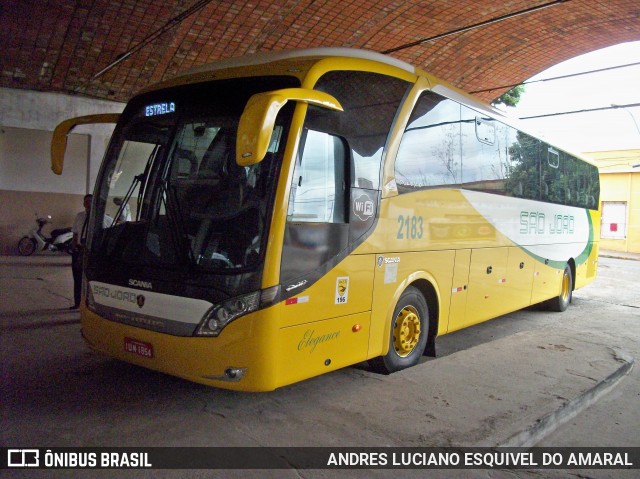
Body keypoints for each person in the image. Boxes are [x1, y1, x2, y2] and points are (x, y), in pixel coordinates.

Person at [70, 194, 92, 309]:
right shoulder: (79, 216)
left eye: (90, 201)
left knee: (89, 279)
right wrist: (73, 247)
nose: (88, 203)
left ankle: (89, 304)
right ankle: (77, 303)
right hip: (79, 250)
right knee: (77, 277)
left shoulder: (101, 218)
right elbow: (75, 232)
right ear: (83, 203)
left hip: (91, 251)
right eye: (86, 201)